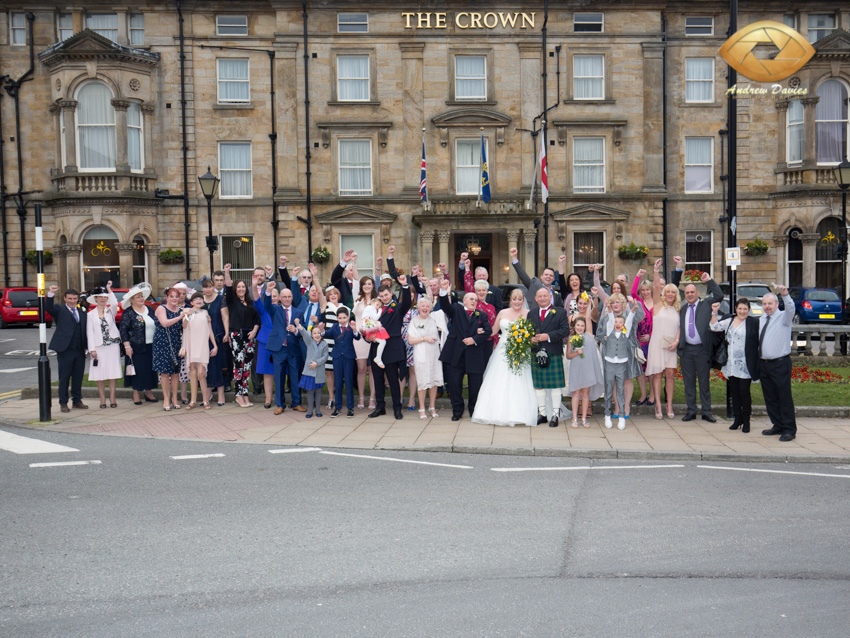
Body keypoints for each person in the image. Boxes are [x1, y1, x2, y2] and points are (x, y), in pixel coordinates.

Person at [473, 288, 539, 427]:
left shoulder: (528, 314)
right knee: (500, 380)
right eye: (514, 299)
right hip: (503, 351)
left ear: (523, 301)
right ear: (510, 300)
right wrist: (479, 330)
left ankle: (522, 413)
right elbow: (493, 331)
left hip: (521, 351)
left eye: (520, 299)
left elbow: (533, 333)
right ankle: (495, 412)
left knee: (521, 381)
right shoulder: (502, 313)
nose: (517, 302)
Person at [436, 281, 492, 421]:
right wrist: (443, 292)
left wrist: (474, 339)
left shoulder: (482, 315)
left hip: (475, 354)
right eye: (471, 299)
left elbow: (488, 331)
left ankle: (474, 410)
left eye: (475, 299)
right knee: (454, 383)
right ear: (464, 301)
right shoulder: (456, 310)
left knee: (475, 386)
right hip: (456, 353)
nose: (473, 301)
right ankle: (457, 410)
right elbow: (445, 306)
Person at [678, 271, 724, 422]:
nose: (690, 295)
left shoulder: (706, 304)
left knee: (704, 382)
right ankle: (691, 410)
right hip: (687, 350)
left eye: (692, 292)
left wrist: (709, 280)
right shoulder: (683, 309)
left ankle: (706, 411)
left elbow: (719, 295)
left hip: (702, 350)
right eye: (687, 292)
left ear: (697, 292)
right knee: (688, 382)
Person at [710, 299, 760, 433]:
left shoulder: (753, 323)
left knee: (744, 393)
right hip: (731, 364)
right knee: (735, 393)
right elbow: (714, 327)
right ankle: (737, 419)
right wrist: (714, 312)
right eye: (740, 309)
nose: (742, 311)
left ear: (748, 310)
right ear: (736, 309)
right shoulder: (730, 321)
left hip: (745, 365)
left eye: (745, 309)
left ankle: (746, 420)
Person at [257, 281, 305, 414]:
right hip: (279, 349)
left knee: (295, 377)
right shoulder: (275, 309)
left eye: (289, 296)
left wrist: (295, 330)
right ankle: (280, 404)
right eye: (284, 297)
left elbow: (303, 331)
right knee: (279, 377)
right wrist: (268, 291)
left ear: (292, 298)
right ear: (279, 298)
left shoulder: (298, 312)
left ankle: (296, 403)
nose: (287, 299)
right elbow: (266, 305)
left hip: (294, 349)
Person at [369, 275, 413, 419]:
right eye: (381, 296)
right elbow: (368, 325)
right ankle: (380, 407)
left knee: (393, 379)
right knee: (377, 378)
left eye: (386, 295)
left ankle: (397, 408)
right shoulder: (375, 309)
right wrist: (368, 336)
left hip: (392, 346)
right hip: (377, 346)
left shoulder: (397, 307)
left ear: (391, 294)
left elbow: (407, 302)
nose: (384, 298)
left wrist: (405, 286)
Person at [526, 287, 570, 427]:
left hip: (553, 351)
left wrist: (548, 336)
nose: (543, 298)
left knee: (556, 386)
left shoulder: (560, 312)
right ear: (536, 299)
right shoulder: (531, 314)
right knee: (539, 386)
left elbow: (565, 330)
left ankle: (555, 415)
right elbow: (527, 332)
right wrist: (530, 339)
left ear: (550, 297)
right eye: (540, 296)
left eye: (545, 296)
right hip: (536, 353)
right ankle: (543, 414)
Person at [597, 295, 643, 430]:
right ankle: (616, 408)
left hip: (627, 351)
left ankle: (625, 407)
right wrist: (607, 340)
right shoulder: (606, 318)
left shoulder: (629, 314)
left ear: (623, 304)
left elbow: (640, 317)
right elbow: (599, 333)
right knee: (613, 382)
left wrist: (635, 304)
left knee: (627, 379)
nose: (615, 304)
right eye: (613, 302)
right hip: (610, 353)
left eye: (618, 302)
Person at [758, 287, 797, 442]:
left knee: (784, 397)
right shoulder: (762, 318)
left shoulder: (783, 317)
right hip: (765, 365)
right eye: (764, 304)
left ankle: (789, 429)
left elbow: (791, 308)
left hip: (780, 364)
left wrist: (785, 295)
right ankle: (778, 424)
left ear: (776, 304)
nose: (767, 306)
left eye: (770, 304)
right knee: (770, 398)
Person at [646, 259, 681, 420]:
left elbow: (679, 328)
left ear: (676, 295)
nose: (670, 294)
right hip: (657, 344)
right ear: (664, 293)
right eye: (668, 292)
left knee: (670, 374)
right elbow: (655, 287)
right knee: (658, 374)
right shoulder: (658, 305)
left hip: (671, 345)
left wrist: (677, 341)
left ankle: (669, 404)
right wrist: (656, 270)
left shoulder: (677, 309)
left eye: (673, 292)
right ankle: (658, 405)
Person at [45, 285, 88, 413]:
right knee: (64, 377)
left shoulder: (82, 311)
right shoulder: (59, 309)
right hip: (65, 349)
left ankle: (77, 400)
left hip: (80, 349)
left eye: (75, 298)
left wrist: (87, 347)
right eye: (69, 298)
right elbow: (48, 308)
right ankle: (63, 402)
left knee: (78, 376)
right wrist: (51, 294)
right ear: (65, 298)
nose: (72, 301)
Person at [407, 296, 448, 419]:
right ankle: (421, 408)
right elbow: (410, 340)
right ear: (418, 308)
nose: (425, 308)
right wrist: (425, 338)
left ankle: (432, 406)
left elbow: (445, 316)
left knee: (434, 380)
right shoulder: (414, 321)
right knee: (423, 381)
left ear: (431, 308)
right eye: (423, 306)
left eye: (428, 306)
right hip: (421, 354)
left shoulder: (435, 319)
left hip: (434, 354)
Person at [119, 282, 158, 405]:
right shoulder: (128, 313)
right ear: (132, 300)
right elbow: (123, 330)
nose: (141, 298)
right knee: (138, 369)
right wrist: (127, 346)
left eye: (142, 296)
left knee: (150, 370)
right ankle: (136, 392)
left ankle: (148, 392)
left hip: (151, 345)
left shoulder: (150, 310)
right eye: (138, 297)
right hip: (135, 347)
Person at [85, 283, 122, 409]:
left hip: (112, 346)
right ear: (95, 299)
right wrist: (92, 349)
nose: (102, 299)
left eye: (104, 297)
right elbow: (90, 332)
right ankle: (102, 398)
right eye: (99, 297)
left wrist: (109, 290)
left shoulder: (110, 310)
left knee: (112, 372)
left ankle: (112, 398)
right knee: (99, 373)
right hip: (98, 347)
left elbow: (115, 303)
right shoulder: (90, 314)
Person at [566, 316, 604, 428]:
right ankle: (574, 418)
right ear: (574, 326)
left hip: (587, 367)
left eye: (582, 326)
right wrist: (577, 353)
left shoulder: (589, 339)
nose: (580, 328)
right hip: (576, 368)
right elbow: (568, 355)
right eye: (578, 325)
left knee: (586, 393)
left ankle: (584, 418)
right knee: (576, 393)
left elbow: (592, 354)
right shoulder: (571, 338)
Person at [181, 291, 218, 409]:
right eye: (196, 299)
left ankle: (206, 400)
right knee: (192, 371)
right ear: (191, 302)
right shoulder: (187, 311)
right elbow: (184, 326)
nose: (199, 300)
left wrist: (215, 345)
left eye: (200, 299)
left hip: (202, 344)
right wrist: (186, 315)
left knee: (201, 373)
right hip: (191, 344)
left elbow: (210, 330)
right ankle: (193, 401)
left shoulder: (205, 313)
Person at [152, 287, 185, 411]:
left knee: (176, 372)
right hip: (162, 343)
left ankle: (175, 398)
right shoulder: (161, 308)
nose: (175, 299)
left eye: (177, 296)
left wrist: (189, 317)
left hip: (176, 343)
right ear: (167, 298)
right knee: (165, 373)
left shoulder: (180, 310)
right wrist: (180, 317)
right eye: (172, 296)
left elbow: (184, 326)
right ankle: (166, 399)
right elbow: (164, 323)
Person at [325, 306, 361, 418]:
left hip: (348, 357)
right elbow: (326, 334)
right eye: (340, 318)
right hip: (337, 357)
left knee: (349, 381)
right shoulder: (334, 327)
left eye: (344, 317)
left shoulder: (351, 327)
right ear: (337, 318)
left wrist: (355, 329)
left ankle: (350, 408)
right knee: (338, 382)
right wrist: (321, 330)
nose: (342, 320)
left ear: (348, 317)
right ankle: (338, 408)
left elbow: (358, 337)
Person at [252, 273, 278, 409]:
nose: (273, 298)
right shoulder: (263, 310)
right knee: (267, 372)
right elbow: (256, 300)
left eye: (275, 296)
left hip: (279, 343)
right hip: (265, 342)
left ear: (278, 298)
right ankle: (268, 399)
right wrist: (254, 285)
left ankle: (279, 398)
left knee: (279, 372)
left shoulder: (281, 309)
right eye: (271, 296)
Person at [201, 278, 229, 406]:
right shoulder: (199, 300)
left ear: (213, 287)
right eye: (205, 287)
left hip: (218, 335)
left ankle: (221, 395)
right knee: (206, 366)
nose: (208, 289)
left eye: (210, 287)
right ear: (202, 288)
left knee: (219, 365)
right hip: (203, 337)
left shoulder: (220, 299)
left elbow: (225, 316)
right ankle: (207, 395)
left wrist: (227, 332)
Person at [353, 276, 378, 409]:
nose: (367, 286)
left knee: (372, 369)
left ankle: (372, 399)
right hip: (359, 339)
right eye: (365, 284)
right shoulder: (357, 300)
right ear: (361, 286)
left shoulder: (377, 301)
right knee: (361, 369)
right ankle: (361, 397)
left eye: (370, 284)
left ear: (373, 285)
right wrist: (354, 262)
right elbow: (355, 281)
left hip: (373, 338)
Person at [295, 319, 329, 418]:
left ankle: (317, 409)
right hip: (310, 372)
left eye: (319, 333)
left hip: (319, 371)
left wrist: (317, 363)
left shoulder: (324, 344)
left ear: (321, 334)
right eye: (314, 333)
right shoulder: (309, 342)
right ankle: (310, 410)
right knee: (310, 392)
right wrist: (298, 324)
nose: (317, 335)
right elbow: (304, 333)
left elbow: (325, 356)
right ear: (312, 335)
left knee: (318, 391)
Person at [631, 268, 655, 406]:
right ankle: (643, 395)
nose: (645, 292)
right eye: (643, 290)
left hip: (652, 340)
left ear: (651, 290)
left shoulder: (657, 303)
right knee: (640, 369)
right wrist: (637, 276)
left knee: (651, 369)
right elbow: (633, 292)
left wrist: (651, 336)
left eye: (647, 290)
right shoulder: (639, 301)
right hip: (640, 341)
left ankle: (652, 395)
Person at [322, 286, 342, 410]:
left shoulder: (343, 308)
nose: (333, 295)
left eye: (335, 293)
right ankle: (331, 397)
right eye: (330, 294)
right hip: (328, 342)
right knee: (329, 371)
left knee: (339, 372)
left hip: (340, 342)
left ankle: (339, 397)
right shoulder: (325, 307)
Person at [361, 297, 389, 368]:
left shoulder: (369, 308)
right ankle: (378, 358)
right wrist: (380, 310)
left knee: (383, 342)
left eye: (379, 306)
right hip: (369, 326)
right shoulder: (371, 308)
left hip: (369, 326)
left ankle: (378, 358)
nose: (378, 307)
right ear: (372, 302)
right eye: (377, 305)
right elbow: (376, 318)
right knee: (383, 341)